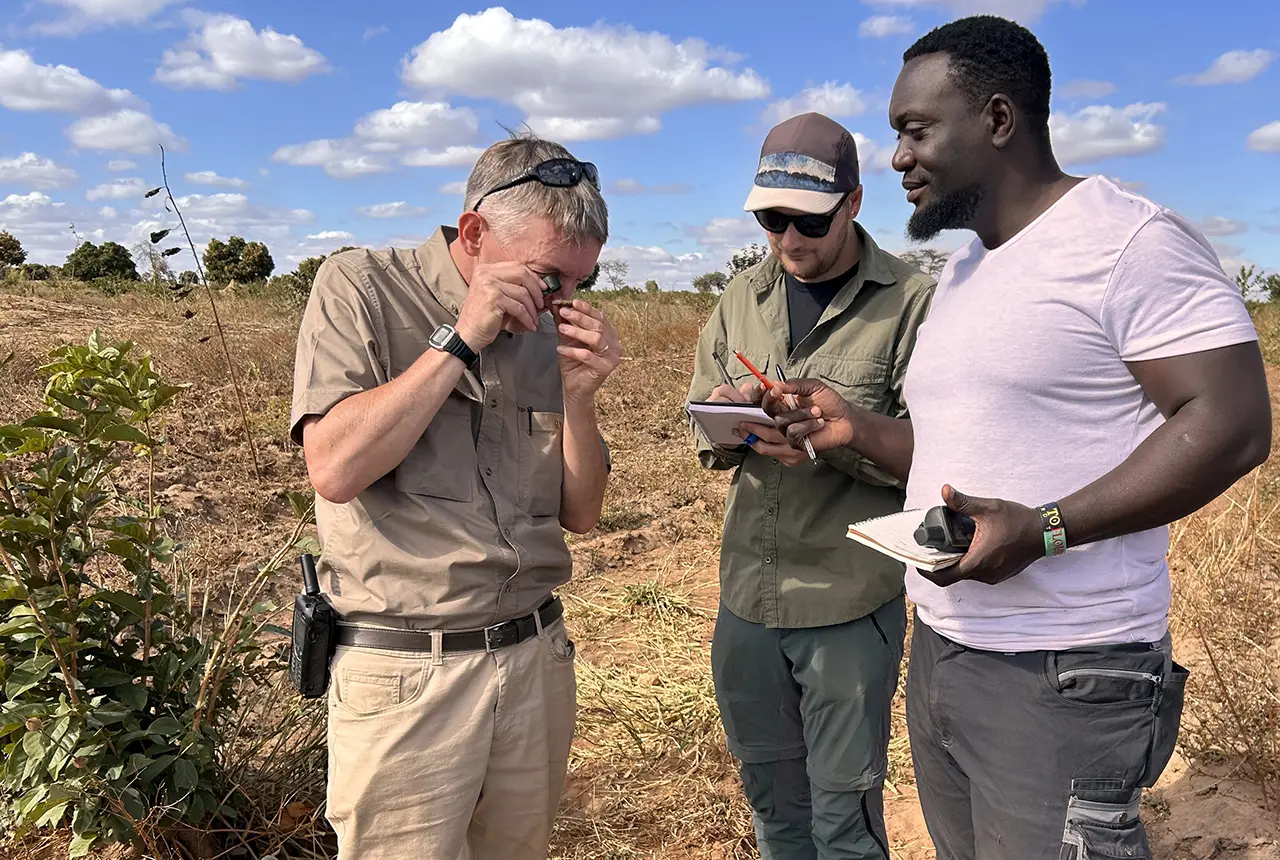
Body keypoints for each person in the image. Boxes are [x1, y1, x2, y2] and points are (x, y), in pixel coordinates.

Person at [764, 16, 1272, 860]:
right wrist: (855, 429)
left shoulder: (1128, 242)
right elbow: (956, 449)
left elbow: (1232, 423)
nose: (897, 159)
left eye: (914, 130)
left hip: (1068, 669)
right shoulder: (966, 267)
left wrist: (1045, 528)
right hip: (946, 649)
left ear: (999, 120)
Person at [289, 133, 623, 860]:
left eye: (579, 283)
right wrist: (460, 339)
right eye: (547, 277)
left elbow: (583, 513)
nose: (560, 301)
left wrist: (582, 397)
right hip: (408, 674)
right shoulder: (361, 287)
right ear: (473, 233)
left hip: (533, 660)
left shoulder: (546, 327)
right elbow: (335, 468)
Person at [686, 111, 935, 859]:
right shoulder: (740, 298)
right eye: (771, 220)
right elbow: (702, 420)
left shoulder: (912, 304)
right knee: (773, 805)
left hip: (847, 601)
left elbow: (938, 456)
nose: (789, 241)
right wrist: (729, 420)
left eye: (808, 222)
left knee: (843, 813)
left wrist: (842, 434)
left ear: (853, 204)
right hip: (748, 600)